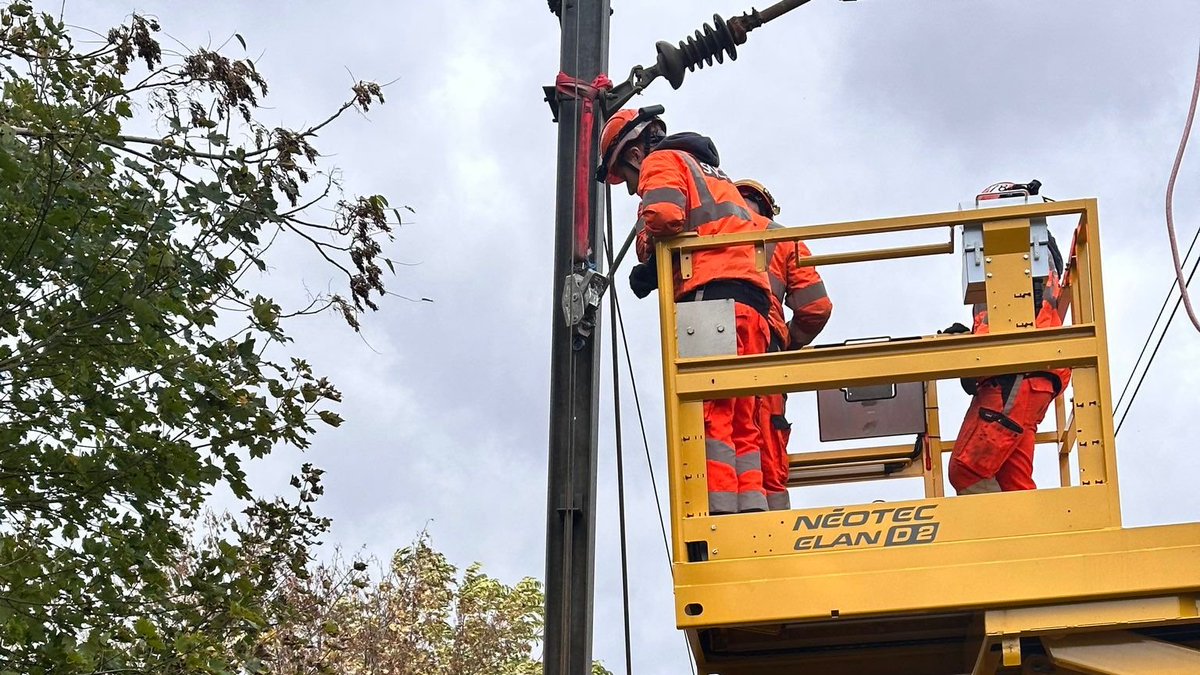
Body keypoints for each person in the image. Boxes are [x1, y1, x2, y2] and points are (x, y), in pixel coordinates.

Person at [597, 107, 771, 514]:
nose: (630, 189)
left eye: (626, 175)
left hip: (711, 302)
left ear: (636, 154)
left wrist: (647, 252)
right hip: (753, 304)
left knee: (711, 416)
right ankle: (751, 514)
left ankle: (720, 515)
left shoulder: (662, 161)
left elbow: (665, 215)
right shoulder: (708, 171)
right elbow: (707, 231)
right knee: (743, 421)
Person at [944, 181, 1071, 494]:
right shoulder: (1033, 257)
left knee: (967, 470)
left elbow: (1011, 320)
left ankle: (1001, 539)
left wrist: (971, 349)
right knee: (1012, 480)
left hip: (1014, 375)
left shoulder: (1008, 250)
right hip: (1033, 379)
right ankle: (1037, 539)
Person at [735, 179, 833, 510]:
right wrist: (787, 342)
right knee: (765, 435)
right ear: (765, 206)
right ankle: (771, 528)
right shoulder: (781, 238)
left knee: (720, 432)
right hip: (766, 350)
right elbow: (816, 307)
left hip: (706, 350)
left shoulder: (704, 232)